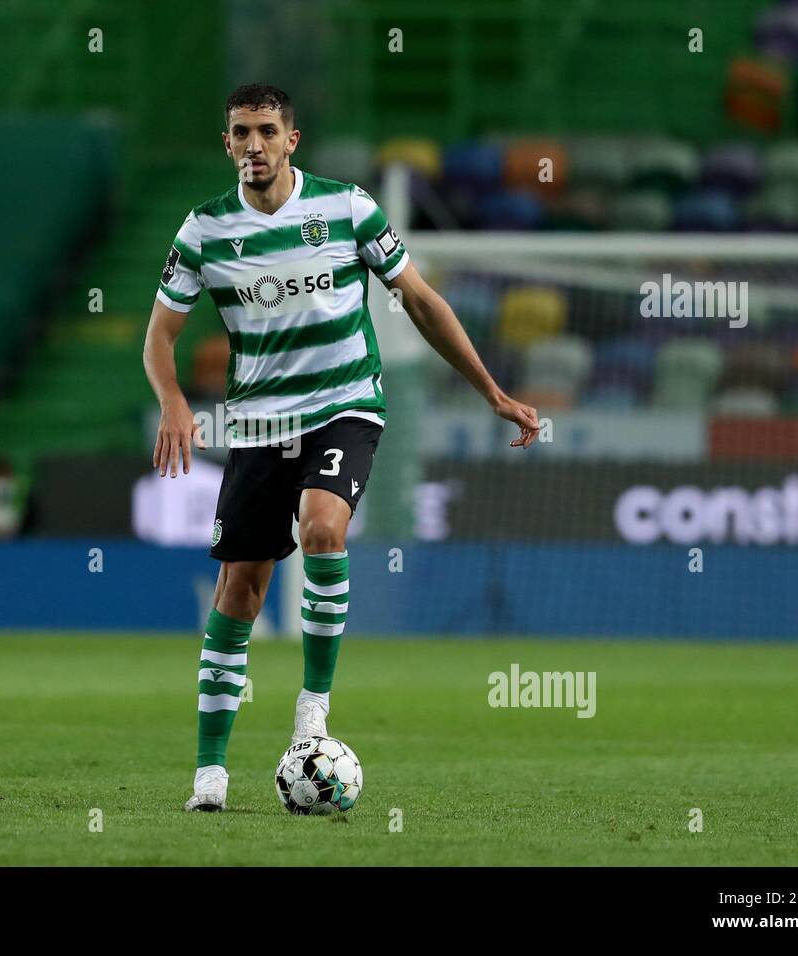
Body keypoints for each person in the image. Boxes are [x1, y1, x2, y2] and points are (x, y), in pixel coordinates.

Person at [141, 83, 539, 811]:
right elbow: (161, 333)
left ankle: (312, 710)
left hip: (344, 405)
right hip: (259, 423)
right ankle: (210, 771)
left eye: (266, 130)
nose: (253, 144)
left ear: (293, 139)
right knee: (241, 591)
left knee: (324, 528)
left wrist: (492, 391)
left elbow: (421, 299)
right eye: (240, 132)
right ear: (225, 143)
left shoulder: (348, 208)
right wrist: (173, 400)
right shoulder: (203, 229)